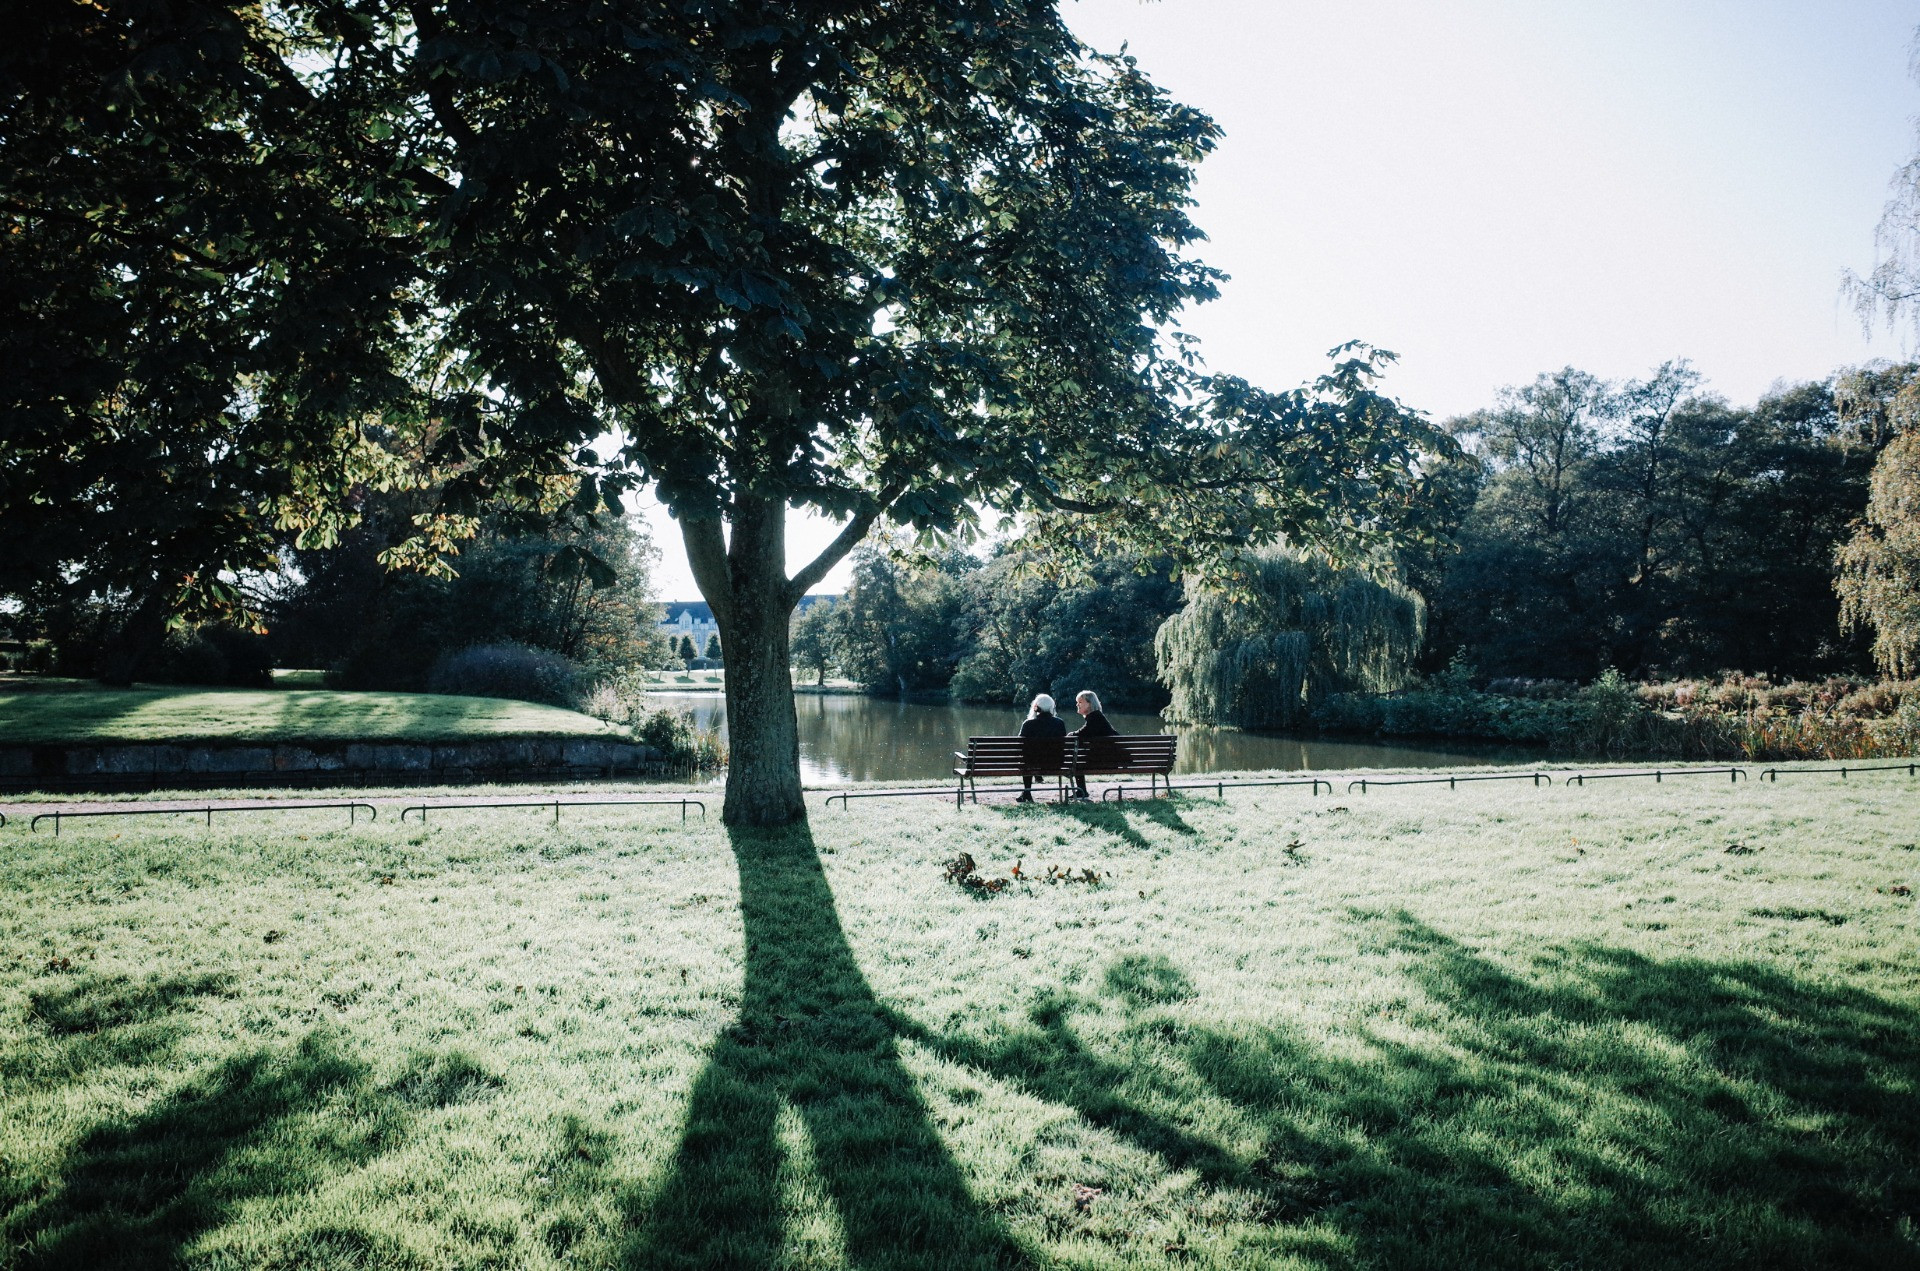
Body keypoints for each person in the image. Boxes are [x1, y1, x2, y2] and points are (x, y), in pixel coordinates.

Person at [1015, 693, 1067, 802]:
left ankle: (1027, 792)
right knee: (1029, 757)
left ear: (1036, 707)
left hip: (1031, 764)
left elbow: (1019, 745)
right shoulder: (1059, 723)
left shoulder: (1028, 724)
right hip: (1056, 763)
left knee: (1027, 757)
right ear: (1051, 707)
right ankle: (1026, 792)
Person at [1070, 690, 1118, 800]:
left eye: (1080, 702)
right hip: (1110, 758)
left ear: (1090, 703)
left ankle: (1081, 791)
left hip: (1106, 760)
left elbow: (1080, 734)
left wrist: (1070, 734)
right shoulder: (1098, 717)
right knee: (1078, 759)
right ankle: (1081, 791)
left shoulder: (1095, 718)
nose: (1077, 704)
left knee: (1076, 760)